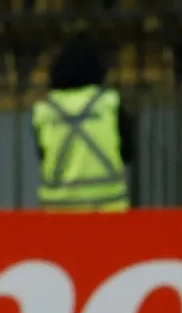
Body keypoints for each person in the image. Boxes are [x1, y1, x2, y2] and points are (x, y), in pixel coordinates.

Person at [33, 36, 135, 211]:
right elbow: (128, 153)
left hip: (58, 213)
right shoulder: (109, 105)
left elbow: (43, 157)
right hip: (108, 210)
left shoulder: (44, 111)